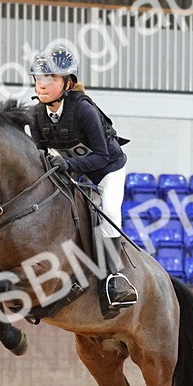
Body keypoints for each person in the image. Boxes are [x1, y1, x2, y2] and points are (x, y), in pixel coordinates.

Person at [29, 44, 136, 312]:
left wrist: (68, 163)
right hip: (74, 170)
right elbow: (40, 153)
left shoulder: (84, 110)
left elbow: (101, 156)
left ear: (68, 82)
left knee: (109, 211)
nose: (42, 84)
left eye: (50, 78)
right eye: (39, 78)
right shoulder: (37, 114)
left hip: (107, 170)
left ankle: (114, 279)